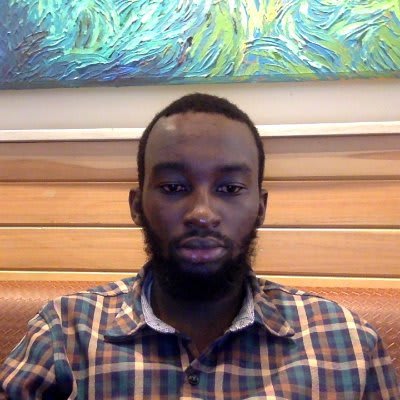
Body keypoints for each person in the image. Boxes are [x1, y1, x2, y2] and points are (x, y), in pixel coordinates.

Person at [0, 93, 398, 399]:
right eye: (174, 187)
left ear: (260, 207)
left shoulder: (347, 344)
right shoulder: (65, 334)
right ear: (137, 206)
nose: (203, 213)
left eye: (230, 188)